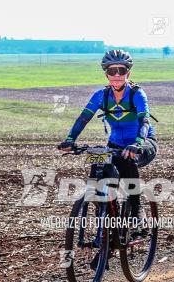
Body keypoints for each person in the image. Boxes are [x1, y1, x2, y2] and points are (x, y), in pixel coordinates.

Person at [57, 49, 158, 218]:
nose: (117, 75)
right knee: (99, 165)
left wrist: (138, 142)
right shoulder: (101, 95)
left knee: (127, 159)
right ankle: (107, 215)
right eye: (112, 71)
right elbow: (83, 118)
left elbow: (144, 121)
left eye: (122, 70)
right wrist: (70, 140)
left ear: (128, 73)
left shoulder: (136, 94)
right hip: (115, 143)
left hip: (144, 142)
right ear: (106, 75)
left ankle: (137, 210)